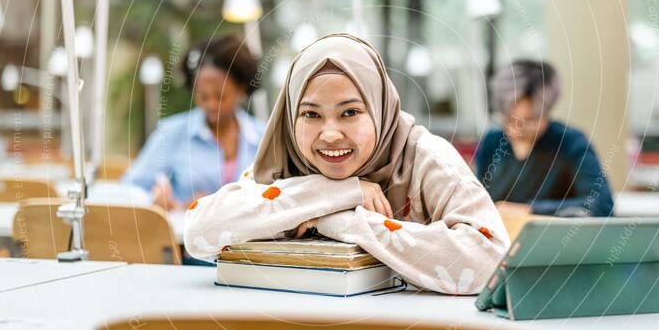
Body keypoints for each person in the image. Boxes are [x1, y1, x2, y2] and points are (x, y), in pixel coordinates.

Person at [184, 33, 509, 295]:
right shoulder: (284, 160)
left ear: (379, 109)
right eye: (310, 114)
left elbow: (491, 262)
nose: (330, 133)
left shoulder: (425, 159)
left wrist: (338, 221)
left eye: (350, 112)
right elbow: (199, 233)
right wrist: (335, 190)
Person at [123, 34, 265, 211]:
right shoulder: (172, 133)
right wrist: (154, 200)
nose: (211, 104)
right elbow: (129, 187)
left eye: (220, 96)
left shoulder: (263, 138)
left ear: (241, 89)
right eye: (203, 96)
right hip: (183, 237)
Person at [475, 60, 614, 217]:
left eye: (529, 121)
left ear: (547, 111)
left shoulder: (570, 143)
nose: (516, 128)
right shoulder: (492, 143)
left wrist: (530, 211)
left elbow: (601, 205)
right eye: (508, 119)